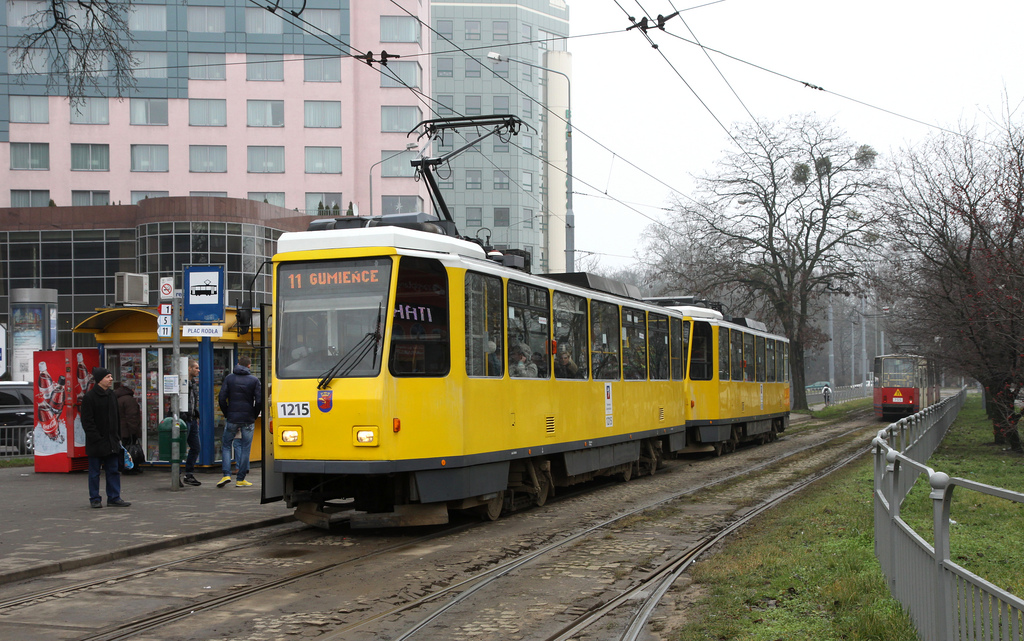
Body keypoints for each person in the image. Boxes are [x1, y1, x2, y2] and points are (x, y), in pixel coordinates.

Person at [81, 368, 131, 508]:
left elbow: (116, 418)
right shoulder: (89, 397)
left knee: (113, 470)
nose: (111, 379)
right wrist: (96, 438)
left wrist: (117, 437)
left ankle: (114, 497)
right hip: (96, 443)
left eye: (111, 376)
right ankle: (95, 499)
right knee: (94, 472)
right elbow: (87, 422)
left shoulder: (112, 395)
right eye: (108, 376)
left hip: (112, 441)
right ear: (100, 379)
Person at [217, 355, 262, 488]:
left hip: (232, 418)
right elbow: (259, 401)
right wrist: (253, 415)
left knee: (226, 445)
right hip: (248, 419)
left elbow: (221, 398)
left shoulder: (229, 378)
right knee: (245, 448)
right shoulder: (254, 380)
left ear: (237, 364)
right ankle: (241, 479)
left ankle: (226, 474)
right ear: (249, 366)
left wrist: (227, 413)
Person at [180, 359, 202, 486]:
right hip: (184, 419)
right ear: (189, 368)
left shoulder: (193, 383)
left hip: (192, 419)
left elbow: (192, 401)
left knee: (196, 447)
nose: (198, 370)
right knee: (180, 448)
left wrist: (195, 412)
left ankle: (189, 474)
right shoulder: (182, 383)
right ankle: (176, 474)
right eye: (196, 368)